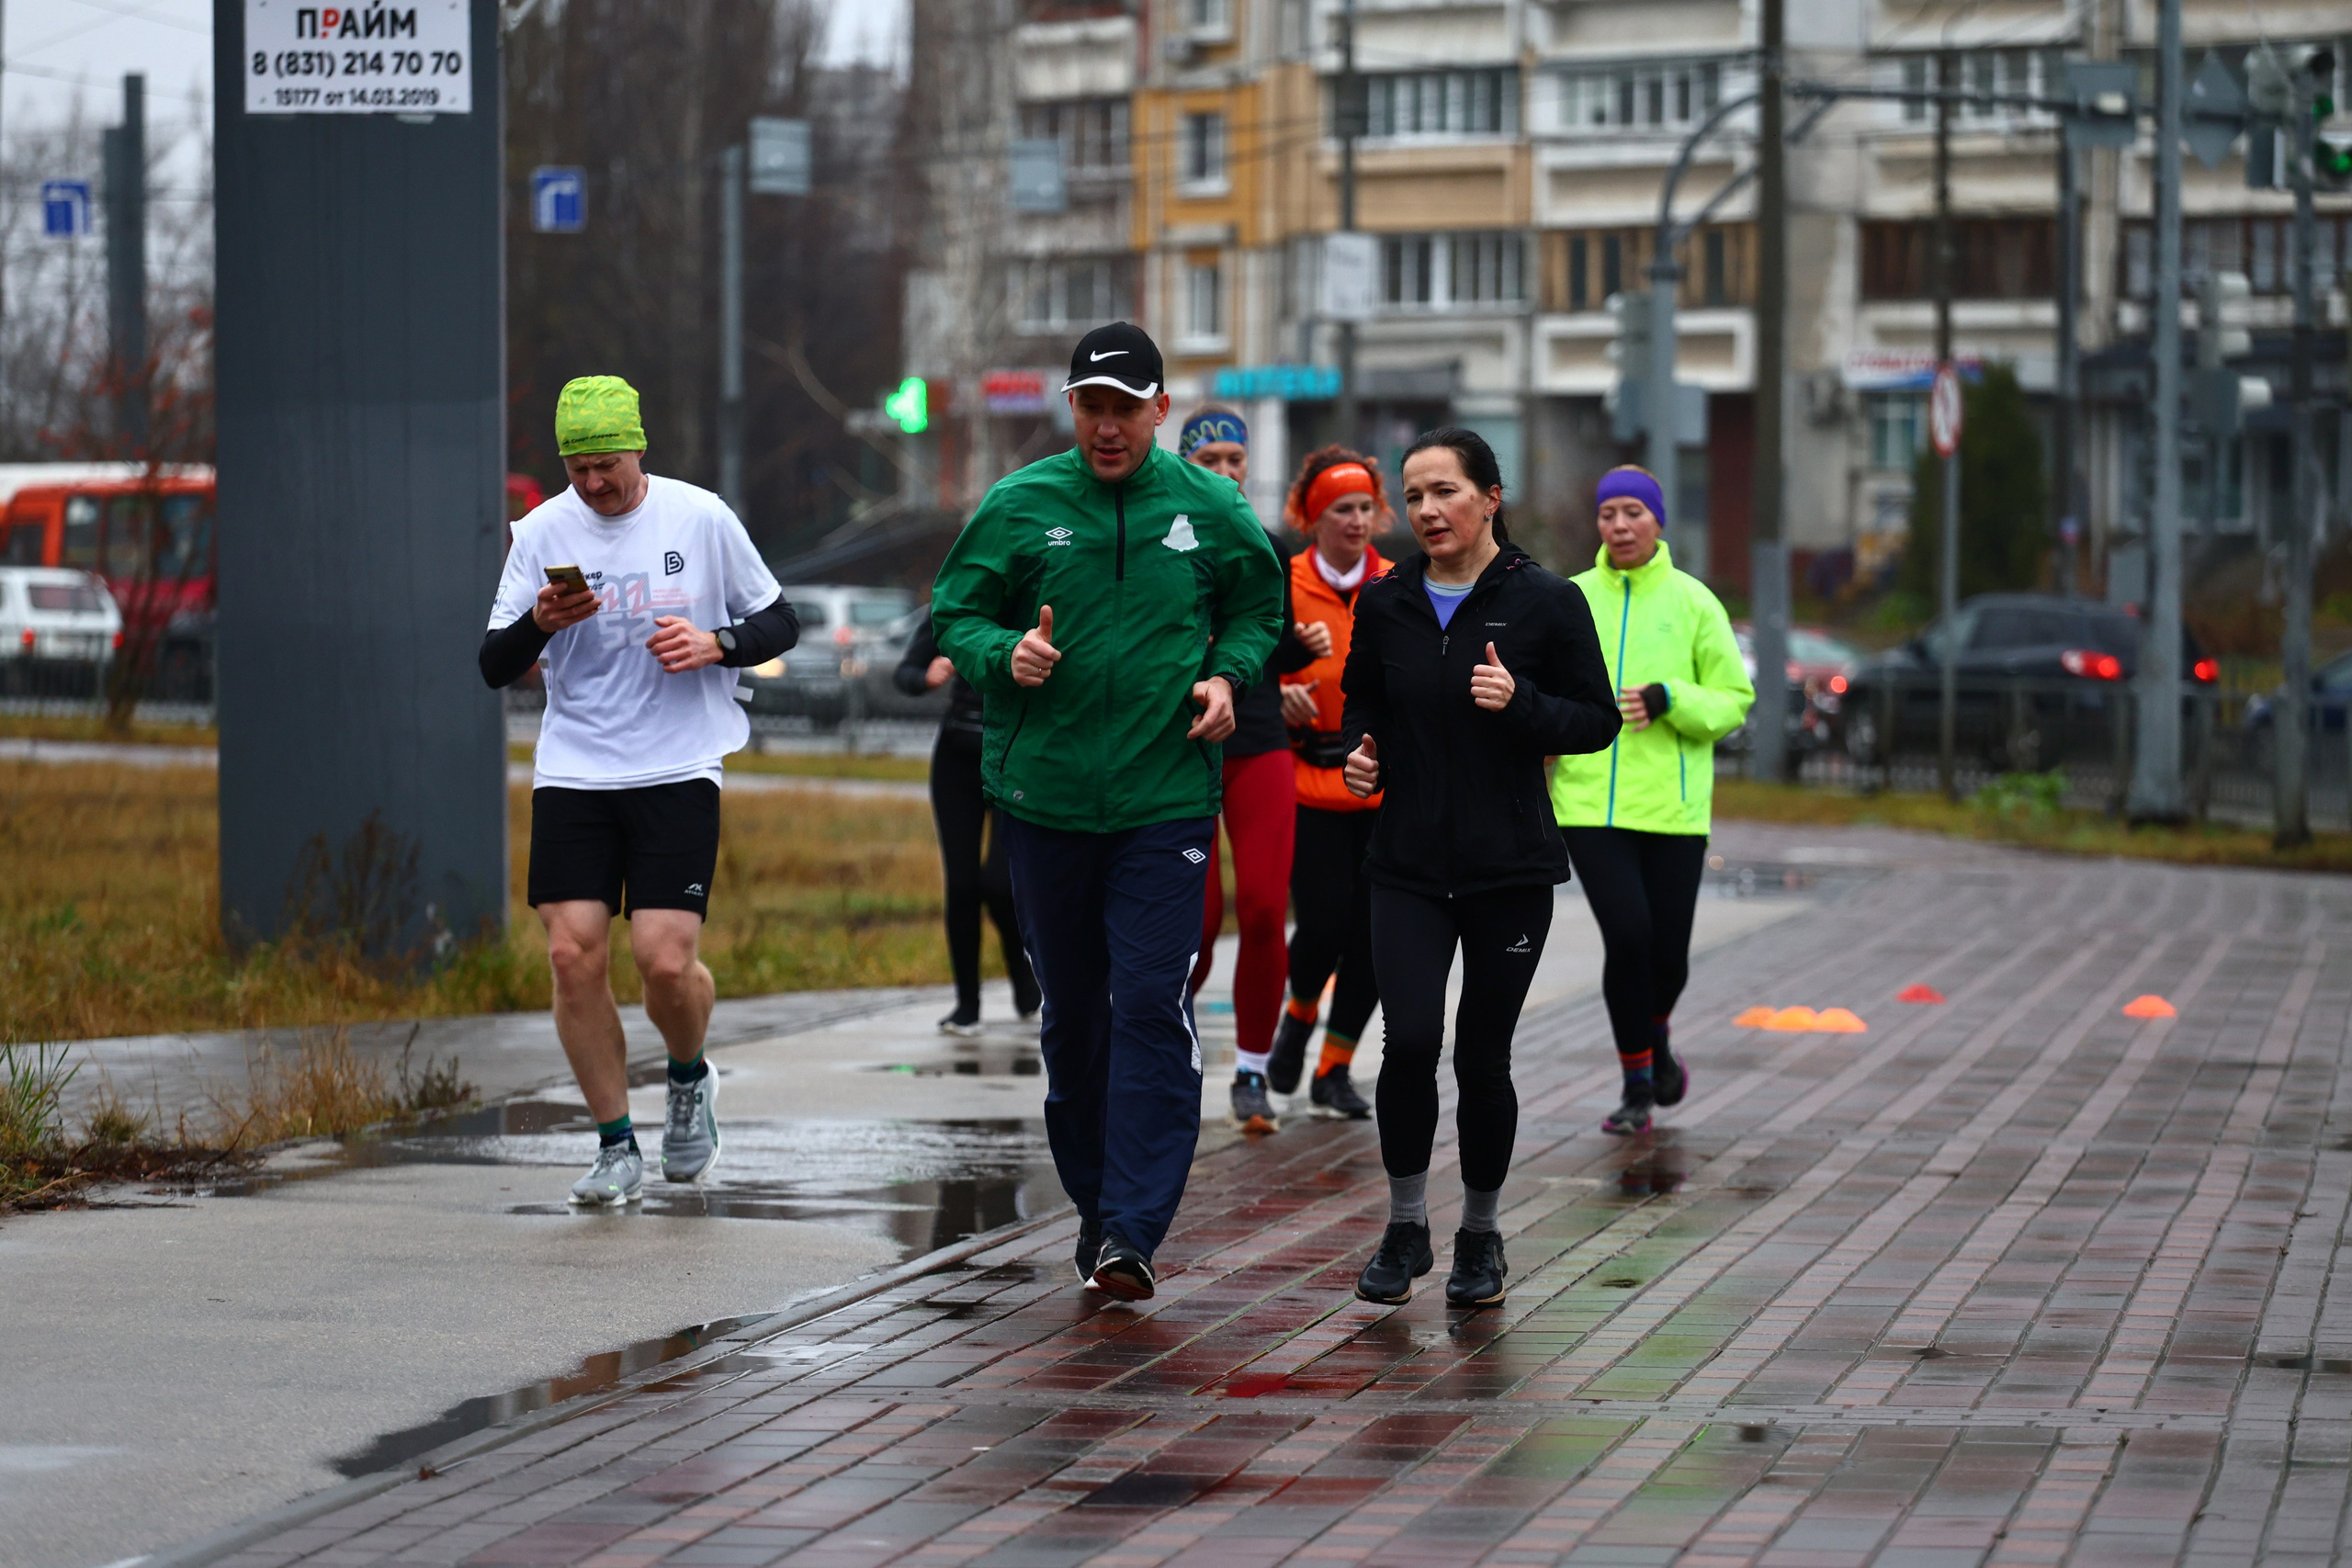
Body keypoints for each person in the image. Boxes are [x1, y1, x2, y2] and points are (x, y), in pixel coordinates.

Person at [930, 322, 1283, 1302]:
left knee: (1149, 1006)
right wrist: (1007, 655)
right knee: (1075, 1019)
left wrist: (1226, 675)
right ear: (1072, 409)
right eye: (1091, 406)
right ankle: (1097, 1207)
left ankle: (1133, 1227)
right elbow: (953, 614)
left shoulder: (1209, 506)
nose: (1107, 425)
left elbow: (1260, 607)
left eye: (1126, 407)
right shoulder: (1020, 504)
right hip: (1043, 801)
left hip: (1164, 801)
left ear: (1160, 411)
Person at [480, 376, 799, 1207]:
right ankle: (615, 1143)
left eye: (608, 465)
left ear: (639, 448)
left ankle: (690, 1080)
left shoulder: (699, 517)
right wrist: (540, 624)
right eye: (579, 468)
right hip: (578, 766)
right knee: (570, 952)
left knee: (664, 960)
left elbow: (779, 621)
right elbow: (492, 665)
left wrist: (716, 641)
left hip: (678, 763)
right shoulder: (542, 530)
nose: (594, 484)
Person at [1338, 428, 1618, 1308]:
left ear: (1490, 497)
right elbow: (1365, 703)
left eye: (1446, 491)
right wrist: (1361, 756)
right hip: (1408, 862)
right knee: (1410, 1041)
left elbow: (1596, 720)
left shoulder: (1547, 602)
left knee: (1482, 1056)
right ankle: (1406, 1223)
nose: (1427, 510)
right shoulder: (1387, 604)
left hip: (1507, 870)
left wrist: (1521, 701)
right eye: (1414, 495)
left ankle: (1482, 1236)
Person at [1550, 466, 1753, 1136]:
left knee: (1668, 956)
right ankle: (1637, 1080)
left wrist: (1672, 696)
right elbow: (1540, 685)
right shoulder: (1571, 597)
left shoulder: (1695, 602)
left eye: (1633, 512)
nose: (1619, 526)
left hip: (1673, 806)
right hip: (1588, 803)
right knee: (1628, 936)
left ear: (1658, 521)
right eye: (1609, 514)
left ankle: (1656, 1037)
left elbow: (1733, 700)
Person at [1175, 406, 1314, 1135]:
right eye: (1212, 460)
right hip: (1180, 747)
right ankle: (1173, 1049)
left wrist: (1303, 648)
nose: (1228, 473)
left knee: (1263, 908)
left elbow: (1273, 643)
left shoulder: (1270, 544)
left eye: (1237, 460)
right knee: (1193, 927)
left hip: (1257, 740)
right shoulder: (1158, 532)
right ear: (1185, 464)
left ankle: (1254, 1073)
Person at [1268, 446, 1393, 1121]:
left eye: (1365, 507)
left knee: (1374, 937)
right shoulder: (1280, 581)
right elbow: (1248, 662)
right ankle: (1297, 1016)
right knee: (1321, 925)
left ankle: (1334, 1067)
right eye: (1341, 509)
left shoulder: (1399, 583)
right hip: (1306, 783)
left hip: (1381, 788)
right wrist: (1280, 694)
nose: (1356, 520)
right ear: (1313, 517)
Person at [895, 615, 1042, 1036]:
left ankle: (1023, 972)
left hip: (1017, 757)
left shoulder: (1037, 598)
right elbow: (904, 672)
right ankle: (967, 1005)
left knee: (998, 883)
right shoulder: (961, 601)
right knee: (961, 885)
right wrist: (925, 676)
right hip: (957, 759)